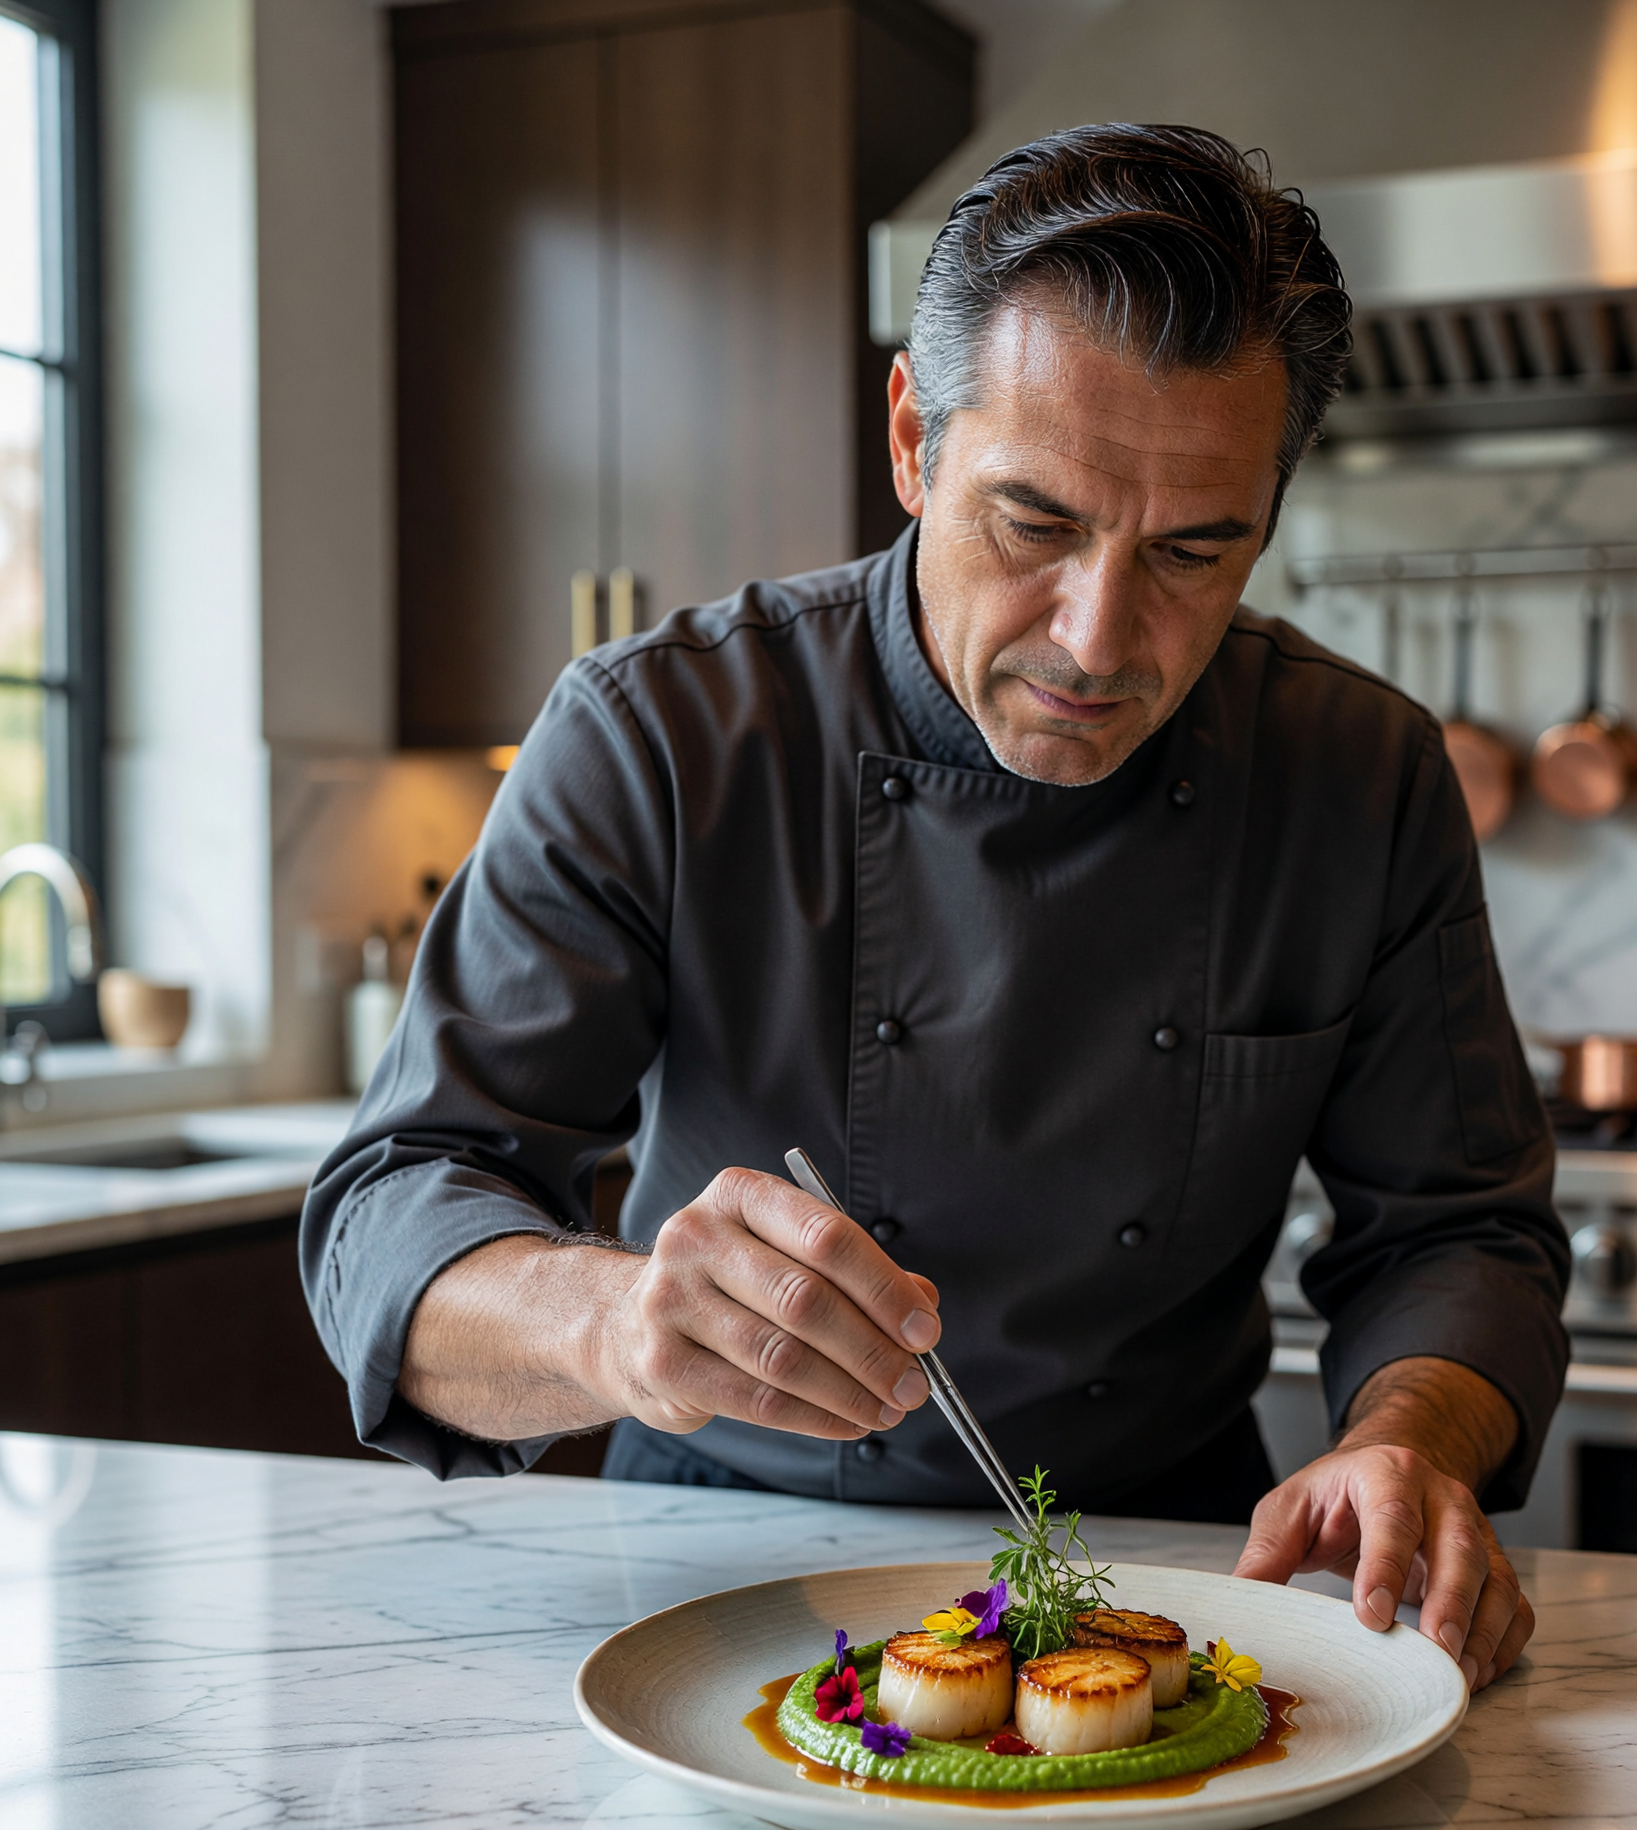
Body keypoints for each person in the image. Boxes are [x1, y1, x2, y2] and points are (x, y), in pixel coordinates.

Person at [302, 125, 1568, 1694]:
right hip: (724, 1571)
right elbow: (392, 1214)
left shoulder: (1356, 771)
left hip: (1178, 1568)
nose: (1101, 637)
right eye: (1034, 522)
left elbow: (1458, 1229)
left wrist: (1406, 1440)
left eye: (1194, 550)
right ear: (913, 440)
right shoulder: (663, 734)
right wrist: (618, 1321)